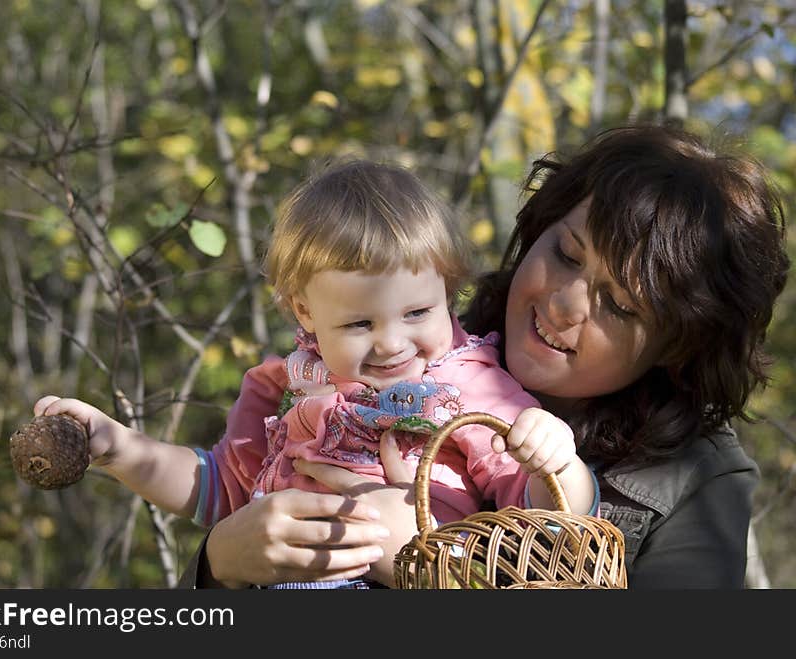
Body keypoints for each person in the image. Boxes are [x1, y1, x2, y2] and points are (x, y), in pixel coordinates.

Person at [180, 123, 789, 589]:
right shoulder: (397, 350)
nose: (563, 302)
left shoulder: (697, 480)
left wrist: (433, 566)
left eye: (621, 306)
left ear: (678, 344)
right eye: (567, 254)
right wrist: (220, 562)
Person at [33, 160, 597, 588]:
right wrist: (121, 449)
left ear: (447, 289)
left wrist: (557, 460)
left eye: (418, 313)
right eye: (358, 322)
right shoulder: (286, 386)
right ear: (305, 311)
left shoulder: (469, 384)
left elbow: (549, 520)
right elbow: (220, 490)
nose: (393, 343)